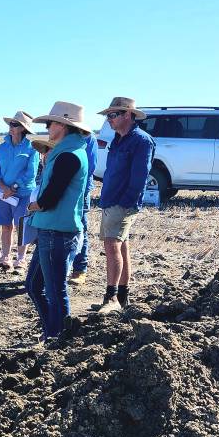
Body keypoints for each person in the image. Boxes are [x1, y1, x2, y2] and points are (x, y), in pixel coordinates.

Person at [25, 101, 91, 341]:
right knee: (35, 286)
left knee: (54, 290)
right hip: (51, 228)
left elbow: (51, 196)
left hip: (56, 230)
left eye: (50, 122)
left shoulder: (69, 155)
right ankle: (52, 333)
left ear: (62, 125)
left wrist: (34, 205)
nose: (47, 127)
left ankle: (57, 339)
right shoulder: (67, 152)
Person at [94, 97, 155, 313]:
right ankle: (122, 297)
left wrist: (126, 202)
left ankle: (111, 298)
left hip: (122, 203)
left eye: (113, 115)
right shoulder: (118, 140)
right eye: (108, 116)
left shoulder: (141, 141)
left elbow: (139, 177)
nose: (108, 120)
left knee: (112, 247)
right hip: (111, 200)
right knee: (121, 247)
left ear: (127, 115)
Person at [0, 111, 39, 271]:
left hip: (22, 194)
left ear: (23, 129)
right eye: (10, 124)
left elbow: (31, 173)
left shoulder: (32, 149)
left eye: (15, 124)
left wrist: (14, 188)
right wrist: (4, 187)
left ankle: (21, 259)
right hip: (1, 193)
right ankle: (5, 257)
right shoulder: (2, 148)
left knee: (21, 226)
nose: (11, 127)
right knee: (6, 226)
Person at [68, 127, 99, 285]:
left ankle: (79, 269)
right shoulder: (63, 136)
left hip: (81, 189)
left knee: (80, 228)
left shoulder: (88, 138)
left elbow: (90, 166)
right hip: (62, 190)